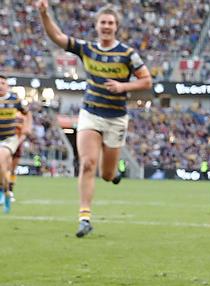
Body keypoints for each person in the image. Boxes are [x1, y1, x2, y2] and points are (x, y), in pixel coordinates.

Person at [37, 0, 152, 237]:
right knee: (88, 164)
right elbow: (58, 37)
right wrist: (44, 13)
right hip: (90, 113)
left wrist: (123, 87)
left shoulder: (128, 54)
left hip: (116, 118)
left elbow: (146, 81)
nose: (106, 26)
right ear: (96, 25)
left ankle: (112, 173)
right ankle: (84, 217)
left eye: (110, 23)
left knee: (107, 174)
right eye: (103, 22)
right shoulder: (87, 48)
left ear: (116, 26)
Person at [0, 75, 32, 213]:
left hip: (9, 139)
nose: (0, 85)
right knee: (3, 169)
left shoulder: (15, 99)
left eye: (3, 83)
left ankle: (3, 191)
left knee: (2, 159)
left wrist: (28, 128)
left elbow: (27, 113)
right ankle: (6, 191)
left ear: (7, 86)